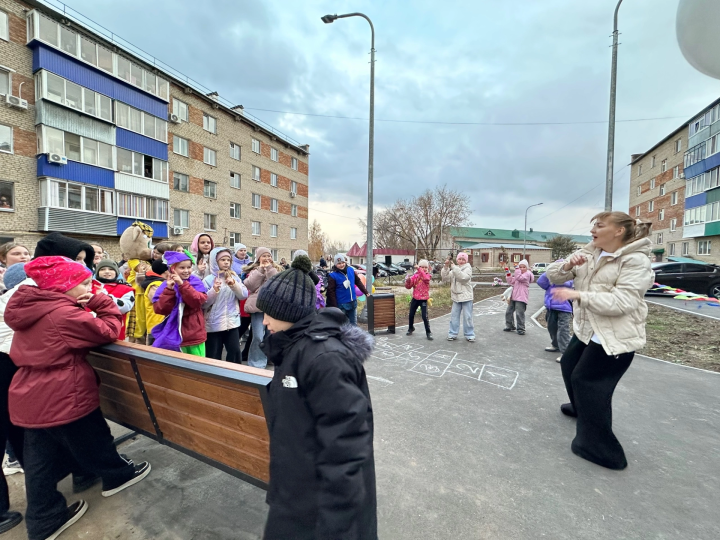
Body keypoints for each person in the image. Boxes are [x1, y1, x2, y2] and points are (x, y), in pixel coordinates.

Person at [5, 256, 151, 540]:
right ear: (62, 286)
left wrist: (81, 301)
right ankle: (117, 475)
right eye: (83, 283)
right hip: (63, 391)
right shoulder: (63, 314)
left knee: (40, 460)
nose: (89, 287)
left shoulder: (34, 305)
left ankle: (44, 519)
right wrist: (101, 302)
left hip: (30, 392)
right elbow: (108, 330)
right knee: (95, 437)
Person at [256, 255, 377, 540]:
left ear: (289, 313)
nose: (265, 321)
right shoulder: (292, 348)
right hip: (297, 494)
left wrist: (336, 521)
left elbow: (346, 445)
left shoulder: (324, 359)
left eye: (269, 314)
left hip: (322, 512)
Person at [547, 212, 654, 470]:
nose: (593, 229)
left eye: (600, 225)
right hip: (587, 330)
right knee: (569, 365)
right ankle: (580, 407)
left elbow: (623, 303)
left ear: (618, 231)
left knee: (588, 381)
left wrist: (578, 294)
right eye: (593, 224)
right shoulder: (591, 251)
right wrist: (567, 265)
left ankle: (601, 449)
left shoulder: (635, 260)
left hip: (614, 336)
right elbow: (552, 277)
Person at [0, 264, 28, 535]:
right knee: (16, 428)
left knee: (16, 428)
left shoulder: (8, 299)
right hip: (7, 367)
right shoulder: (25, 298)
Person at [152, 251, 208, 356]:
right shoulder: (165, 285)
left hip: (194, 332)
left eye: (189, 267)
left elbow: (197, 301)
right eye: (182, 268)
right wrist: (169, 290)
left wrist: (182, 285)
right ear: (172, 269)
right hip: (173, 333)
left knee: (197, 366)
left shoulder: (195, 281)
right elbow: (160, 309)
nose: (186, 271)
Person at [203, 247, 248, 363]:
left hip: (231, 323)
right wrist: (214, 290)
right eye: (223, 260)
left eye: (228, 260)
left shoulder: (234, 277)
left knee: (234, 352)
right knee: (213, 354)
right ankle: (213, 378)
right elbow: (203, 303)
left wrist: (234, 285)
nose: (226, 262)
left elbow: (243, 295)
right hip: (213, 324)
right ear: (215, 262)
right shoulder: (208, 280)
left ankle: (234, 377)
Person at [243, 248, 280, 368]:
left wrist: (269, 269)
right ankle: (256, 363)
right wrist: (260, 270)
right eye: (263, 256)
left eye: (268, 256)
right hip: (257, 307)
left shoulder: (276, 270)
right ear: (258, 258)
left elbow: (276, 284)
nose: (267, 258)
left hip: (271, 307)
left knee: (269, 335)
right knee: (258, 335)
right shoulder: (254, 270)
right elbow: (250, 285)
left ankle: (268, 358)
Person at [537, 264, 573, 362]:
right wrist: (549, 272)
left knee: (563, 330)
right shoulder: (551, 278)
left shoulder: (569, 276)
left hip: (565, 308)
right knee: (552, 327)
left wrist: (561, 275)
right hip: (551, 306)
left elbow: (569, 284)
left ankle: (565, 353)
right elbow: (540, 282)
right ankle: (555, 345)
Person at [94, 260, 135, 341]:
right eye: (102, 269)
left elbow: (125, 308)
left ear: (116, 272)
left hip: (114, 331)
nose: (106, 272)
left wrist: (107, 297)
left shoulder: (126, 289)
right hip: (90, 330)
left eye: (111, 269)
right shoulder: (88, 286)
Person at [326, 254, 368, 325]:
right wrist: (335, 306)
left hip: (352, 302)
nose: (342, 265)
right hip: (341, 305)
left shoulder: (351, 270)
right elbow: (331, 292)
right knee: (342, 325)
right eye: (339, 263)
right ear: (336, 264)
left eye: (343, 262)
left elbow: (357, 281)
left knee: (353, 324)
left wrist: (365, 292)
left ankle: (354, 336)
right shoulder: (333, 276)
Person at [441, 252, 474, 342]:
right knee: (454, 316)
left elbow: (462, 278)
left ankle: (469, 334)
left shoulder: (468, 268)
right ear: (457, 260)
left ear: (466, 261)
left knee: (467, 316)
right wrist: (446, 267)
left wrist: (454, 267)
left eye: (463, 259)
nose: (461, 261)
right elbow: (445, 278)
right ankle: (452, 333)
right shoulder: (454, 269)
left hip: (466, 297)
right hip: (456, 297)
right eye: (459, 259)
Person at [140, 262, 168, 346]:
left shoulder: (161, 283)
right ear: (165, 272)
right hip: (156, 325)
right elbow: (160, 302)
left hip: (162, 324)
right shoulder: (155, 285)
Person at [503, 259, 534, 336]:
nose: (522, 269)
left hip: (521, 297)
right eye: (520, 267)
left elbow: (520, 278)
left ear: (527, 268)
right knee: (508, 312)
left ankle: (521, 328)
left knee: (519, 313)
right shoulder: (518, 274)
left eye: (524, 267)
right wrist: (508, 274)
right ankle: (510, 326)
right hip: (514, 296)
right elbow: (511, 281)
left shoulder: (527, 274)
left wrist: (517, 269)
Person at [405, 260, 433, 340]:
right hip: (415, 298)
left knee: (424, 316)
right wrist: (408, 281)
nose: (424, 269)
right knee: (411, 314)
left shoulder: (427, 275)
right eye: (422, 267)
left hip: (423, 298)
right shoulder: (415, 276)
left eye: (425, 267)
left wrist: (419, 270)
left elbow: (426, 279)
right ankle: (411, 328)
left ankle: (428, 332)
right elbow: (409, 286)